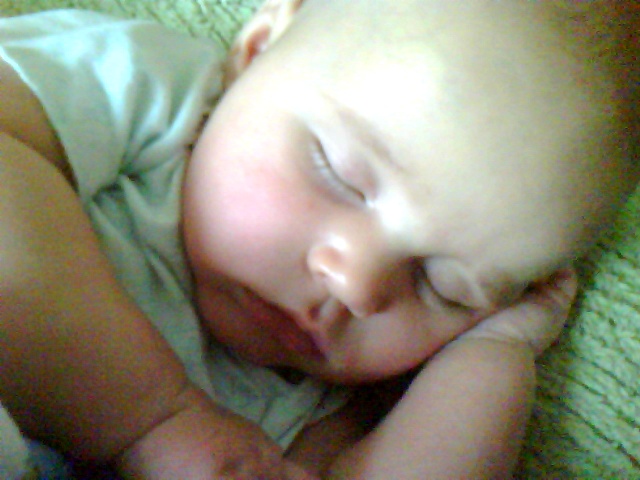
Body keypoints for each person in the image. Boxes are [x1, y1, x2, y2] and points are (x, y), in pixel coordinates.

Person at [0, 0, 637, 478]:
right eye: (340, 176)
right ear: (259, 48)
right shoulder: (155, 90)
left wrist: (493, 354)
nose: (356, 285)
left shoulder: (319, 408)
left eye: (446, 289)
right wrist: (152, 420)